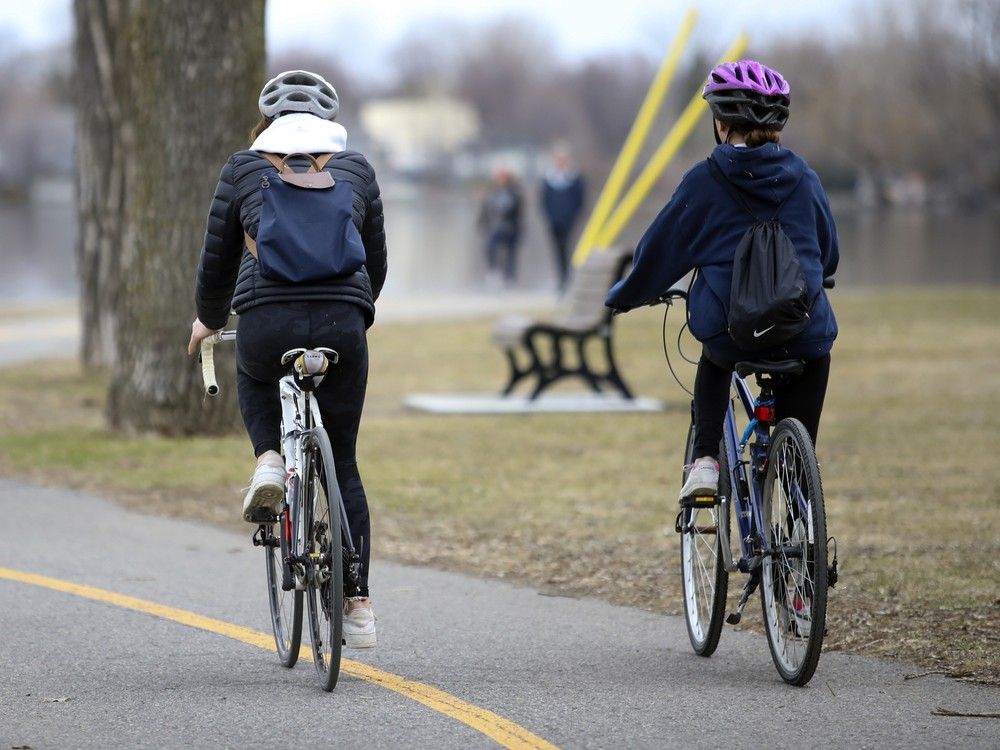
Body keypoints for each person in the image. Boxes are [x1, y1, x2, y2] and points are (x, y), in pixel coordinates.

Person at [186, 70, 386, 648]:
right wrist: (355, 311)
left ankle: (270, 459)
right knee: (342, 461)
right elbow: (375, 263)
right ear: (329, 122)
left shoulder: (243, 169)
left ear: (266, 123)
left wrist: (208, 317)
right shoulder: (356, 171)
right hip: (342, 327)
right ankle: (358, 606)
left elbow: (217, 260)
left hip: (266, 324)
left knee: (253, 376)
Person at [605, 60, 838, 501]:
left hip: (734, 335)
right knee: (814, 361)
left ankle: (707, 461)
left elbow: (658, 252)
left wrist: (625, 295)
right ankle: (800, 506)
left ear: (722, 122)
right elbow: (828, 254)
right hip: (804, 333)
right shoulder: (805, 178)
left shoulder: (704, 182)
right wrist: (817, 276)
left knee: (714, 360)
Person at [540, 146, 585, 291]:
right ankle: (561, 278)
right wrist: (549, 216)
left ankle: (568, 277)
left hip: (569, 221)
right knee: (558, 250)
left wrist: (573, 216)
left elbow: (580, 200)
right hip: (554, 221)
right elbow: (544, 201)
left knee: (569, 248)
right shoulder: (548, 179)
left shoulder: (574, 178)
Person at [478, 166, 522, 286]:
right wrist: (481, 224)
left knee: (510, 254)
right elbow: (484, 210)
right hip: (494, 227)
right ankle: (494, 271)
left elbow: (518, 212)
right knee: (490, 248)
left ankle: (510, 277)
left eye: (503, 176)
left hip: (510, 227)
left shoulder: (514, 192)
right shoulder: (491, 192)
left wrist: (518, 227)